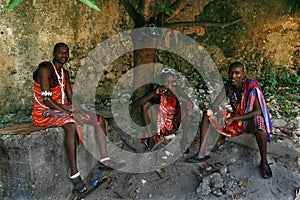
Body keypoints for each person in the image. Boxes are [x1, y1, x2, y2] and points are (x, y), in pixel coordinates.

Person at [32, 42, 123, 193]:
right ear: (54, 53)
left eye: (66, 53)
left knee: (98, 119)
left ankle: (104, 160)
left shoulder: (64, 73)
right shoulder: (45, 70)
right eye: (61, 52)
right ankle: (74, 174)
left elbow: (70, 96)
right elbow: (47, 100)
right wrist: (71, 114)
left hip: (62, 108)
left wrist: (79, 110)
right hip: (44, 111)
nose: (64, 55)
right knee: (70, 125)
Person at [186, 62, 273, 179]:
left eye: (237, 73)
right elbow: (215, 104)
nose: (233, 76)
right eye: (231, 73)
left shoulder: (251, 86)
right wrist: (218, 115)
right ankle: (201, 154)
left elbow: (258, 111)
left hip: (249, 120)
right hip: (237, 120)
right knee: (208, 113)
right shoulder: (229, 87)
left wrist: (234, 118)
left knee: (259, 121)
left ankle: (264, 162)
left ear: (243, 74)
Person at [134, 67, 194, 151]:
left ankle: (184, 138)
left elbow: (190, 102)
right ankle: (151, 138)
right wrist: (155, 93)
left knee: (188, 105)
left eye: (172, 81)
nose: (170, 84)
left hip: (175, 121)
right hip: (160, 122)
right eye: (167, 81)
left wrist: (176, 96)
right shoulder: (158, 90)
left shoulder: (177, 89)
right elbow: (137, 104)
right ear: (162, 81)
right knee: (146, 105)